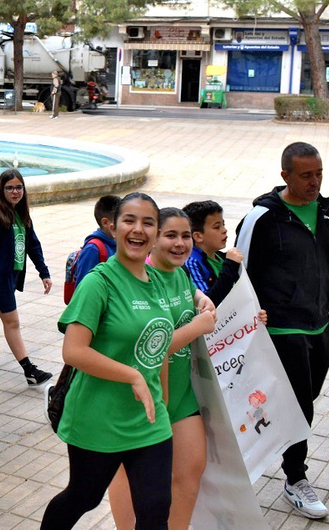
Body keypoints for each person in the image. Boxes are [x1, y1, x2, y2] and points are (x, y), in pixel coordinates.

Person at [41, 193, 194, 529]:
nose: (138, 229)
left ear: (155, 234)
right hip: (99, 418)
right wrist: (133, 377)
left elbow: (160, 347)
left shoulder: (157, 283)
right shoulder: (99, 282)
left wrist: (162, 401)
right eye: (130, 220)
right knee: (83, 497)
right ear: (113, 227)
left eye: (148, 223)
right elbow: (74, 351)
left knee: (155, 509)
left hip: (149, 420)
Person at [234, 142, 329, 519]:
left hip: (318, 324)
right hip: (281, 330)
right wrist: (244, 327)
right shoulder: (262, 219)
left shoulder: (327, 211)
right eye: (306, 175)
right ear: (285, 175)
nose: (314, 182)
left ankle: (273, 441)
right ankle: (295, 478)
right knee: (300, 405)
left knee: (306, 399)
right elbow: (240, 276)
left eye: (319, 173)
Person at [106, 207, 219, 530]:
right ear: (154, 238)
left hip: (180, 395)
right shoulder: (141, 278)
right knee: (130, 479)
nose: (180, 243)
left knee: (190, 472)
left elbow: (184, 294)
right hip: (139, 398)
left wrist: (199, 298)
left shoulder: (180, 275)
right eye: (171, 235)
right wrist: (198, 326)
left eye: (185, 236)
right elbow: (153, 345)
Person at [0, 169, 54, 386]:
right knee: (12, 322)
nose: (15, 191)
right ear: (1, 189)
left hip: (10, 275)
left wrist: (44, 272)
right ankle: (29, 370)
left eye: (19, 187)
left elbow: (33, 245)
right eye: (10, 188)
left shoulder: (20, 214)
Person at [182, 200, 240, 303]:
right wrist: (230, 266)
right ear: (198, 236)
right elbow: (207, 302)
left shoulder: (221, 257)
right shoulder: (192, 263)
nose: (224, 230)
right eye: (217, 227)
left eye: (223, 224)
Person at [70, 195, 120, 287]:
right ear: (105, 222)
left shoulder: (120, 244)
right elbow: (83, 287)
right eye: (122, 220)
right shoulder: (93, 250)